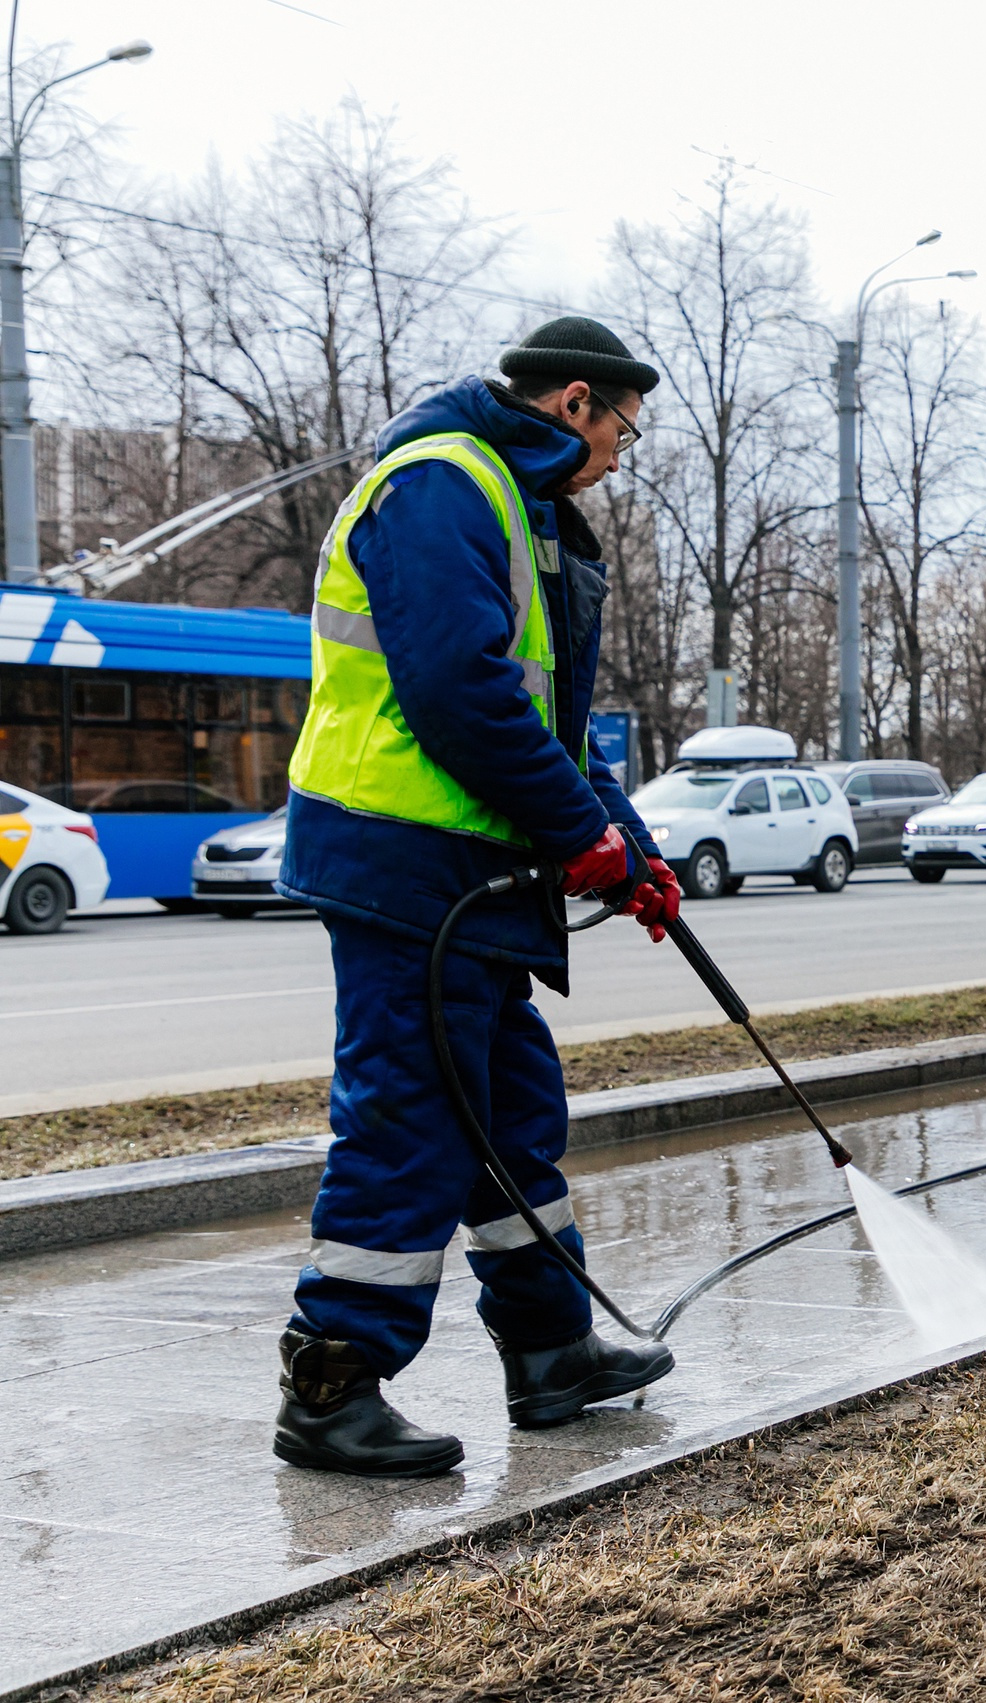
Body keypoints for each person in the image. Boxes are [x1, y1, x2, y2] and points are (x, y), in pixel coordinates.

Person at [270, 317, 686, 1477]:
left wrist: (631, 849)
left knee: (511, 1113)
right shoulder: (442, 485)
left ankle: (553, 1354)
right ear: (572, 403)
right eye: (622, 431)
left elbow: (543, 719)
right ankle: (332, 1382)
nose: (619, 454)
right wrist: (579, 838)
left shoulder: (517, 506)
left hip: (471, 871)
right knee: (412, 1114)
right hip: (406, 861)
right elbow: (460, 695)